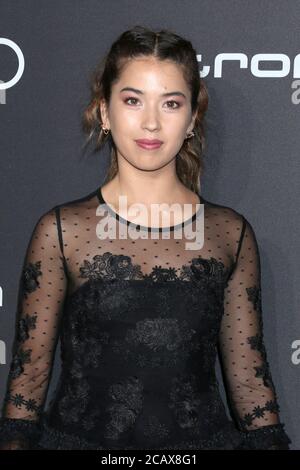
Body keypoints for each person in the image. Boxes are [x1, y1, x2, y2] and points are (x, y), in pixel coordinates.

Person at [0, 25, 292, 450]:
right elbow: (28, 384)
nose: (151, 122)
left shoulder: (230, 235)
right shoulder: (62, 232)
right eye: (133, 100)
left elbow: (251, 389)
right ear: (104, 111)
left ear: (192, 119)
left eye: (170, 104)